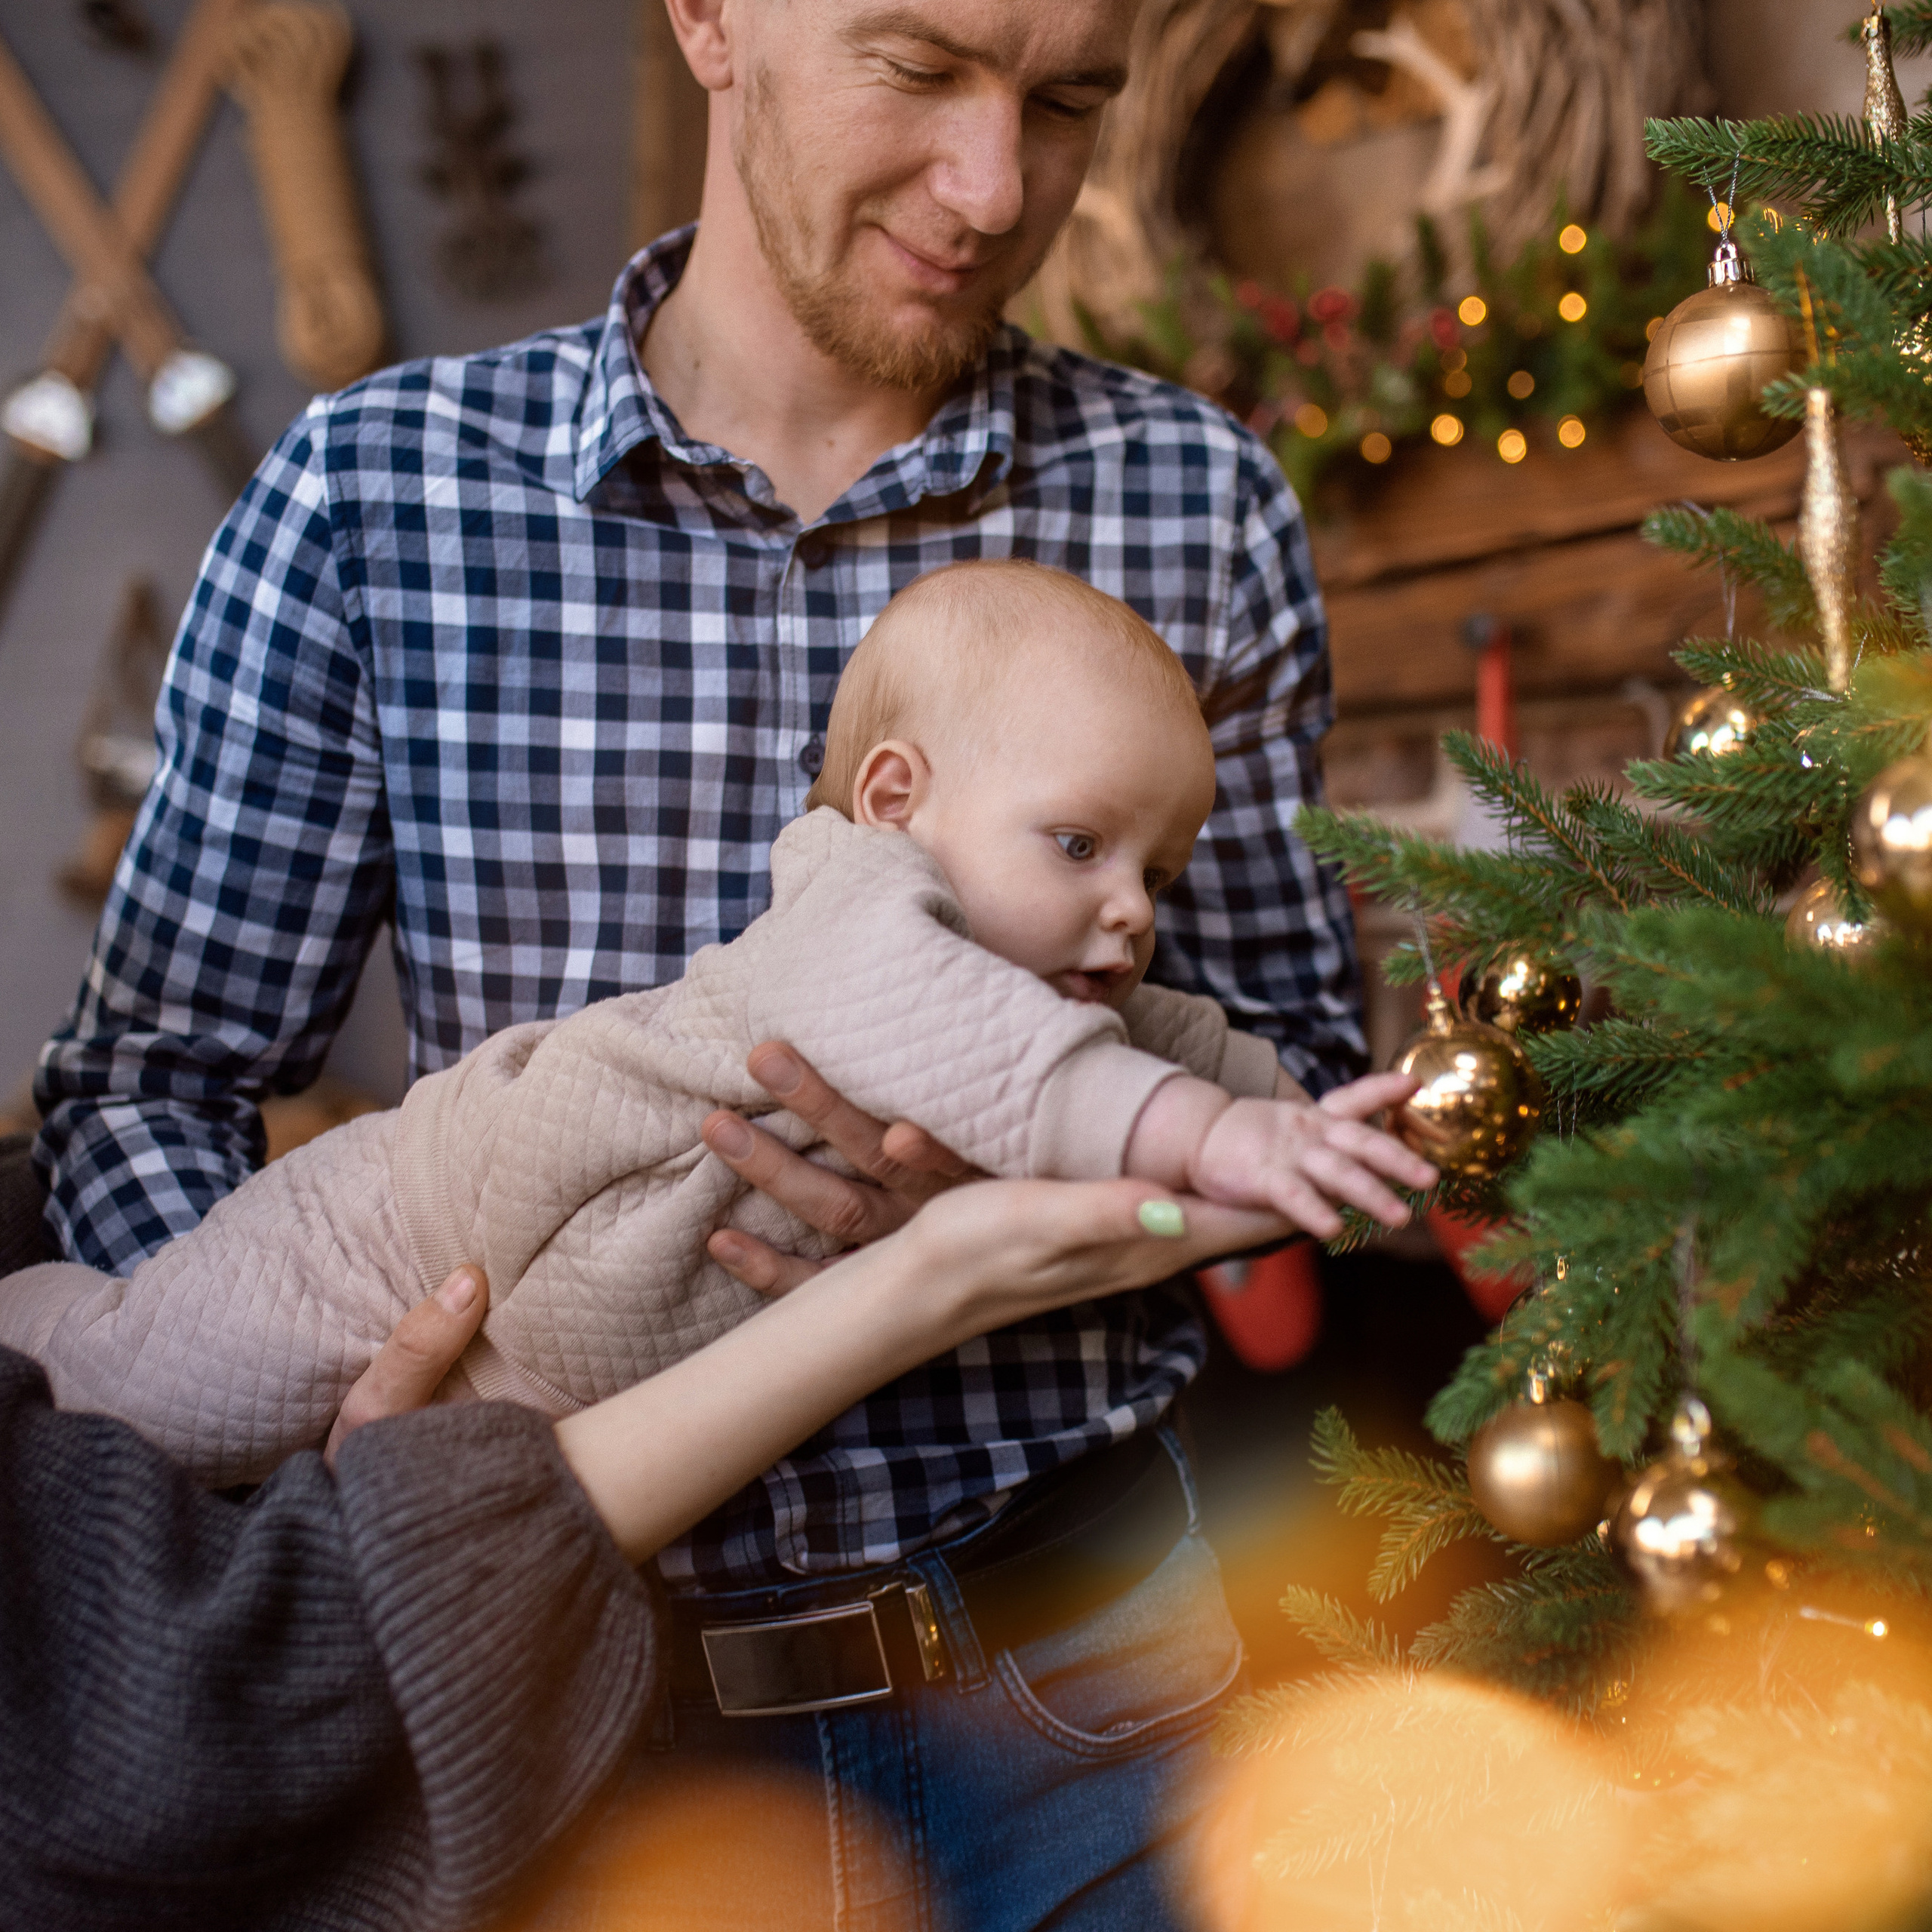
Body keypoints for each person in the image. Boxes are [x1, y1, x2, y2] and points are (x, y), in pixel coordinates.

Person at [27, 0, 1367, 1921]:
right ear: (711, 19)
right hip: (575, 1701)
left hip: (1091, 1668)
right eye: (918, 68)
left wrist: (1005, 1162)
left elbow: (1284, 1068)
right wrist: (327, 1462)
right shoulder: (373, 494)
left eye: (1068, 99)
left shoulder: (1196, 502)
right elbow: (156, 1074)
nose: (994, 187)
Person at [3, 565, 1431, 1488]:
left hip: (558, 1409)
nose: (1130, 910)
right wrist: (1201, 1135)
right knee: (127, 1409)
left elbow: (1204, 1059)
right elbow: (969, 1031)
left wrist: (1309, 1134)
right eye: (1079, 845)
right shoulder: (854, 899)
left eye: (1157, 874)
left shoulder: (1072, 998)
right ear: (895, 802)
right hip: (408, 1227)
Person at [2, 1168, 1290, 1932]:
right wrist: (277, 1386)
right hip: (604, 1738)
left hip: (1071, 1657)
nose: (1126, 908)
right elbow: (191, 1698)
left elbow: (1279, 1082)